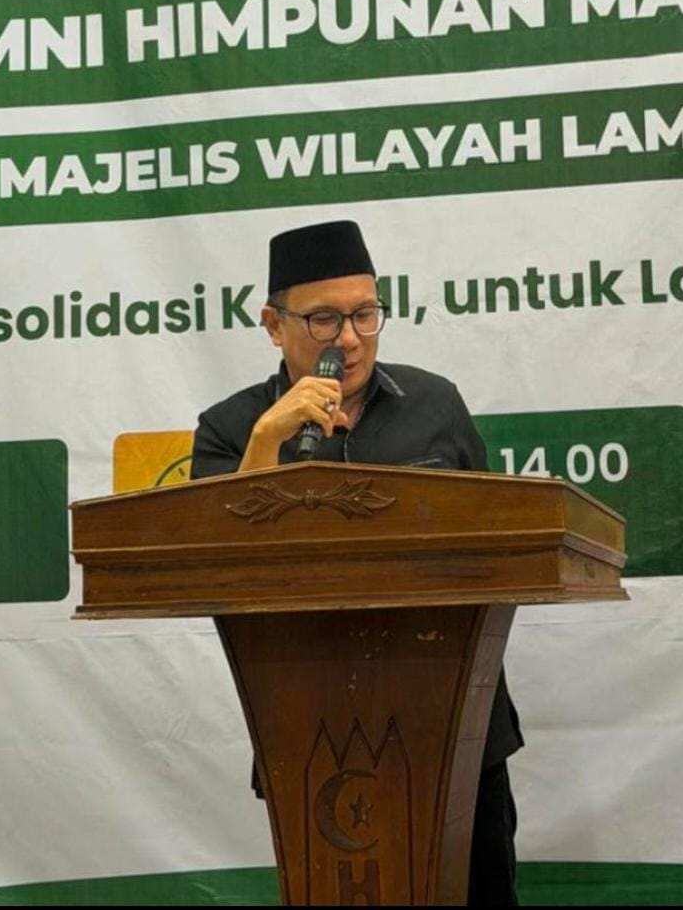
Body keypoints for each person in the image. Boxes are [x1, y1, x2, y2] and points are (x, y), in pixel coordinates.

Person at [191, 219, 522, 906]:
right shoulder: (231, 429)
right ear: (273, 326)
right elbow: (214, 560)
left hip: (456, 724)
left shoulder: (436, 405)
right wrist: (268, 441)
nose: (348, 338)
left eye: (365, 313)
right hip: (309, 731)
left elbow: (495, 541)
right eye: (323, 319)